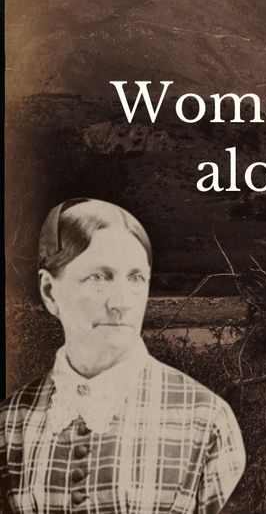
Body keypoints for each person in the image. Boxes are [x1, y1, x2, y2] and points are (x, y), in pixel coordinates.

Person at [1, 199, 245, 513]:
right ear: (50, 292)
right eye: (98, 277)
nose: (121, 303)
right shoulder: (10, 424)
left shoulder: (206, 420)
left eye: (135, 278)